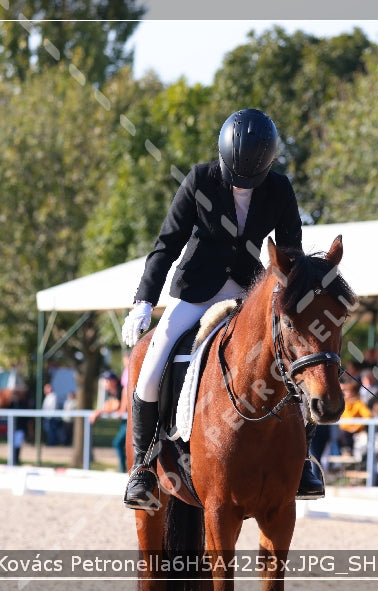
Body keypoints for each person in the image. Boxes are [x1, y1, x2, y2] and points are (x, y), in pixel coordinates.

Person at [120, 108, 322, 510]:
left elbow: (292, 253)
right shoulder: (199, 180)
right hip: (195, 288)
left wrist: (298, 303)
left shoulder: (279, 189)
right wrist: (144, 301)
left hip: (248, 291)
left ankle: (301, 462)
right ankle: (143, 468)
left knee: (293, 358)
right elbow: (167, 244)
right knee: (154, 360)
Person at [89, 370, 128, 473]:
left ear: (114, 381)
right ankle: (124, 468)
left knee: (118, 443)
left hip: (129, 422)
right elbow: (110, 406)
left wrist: (99, 412)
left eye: (107, 380)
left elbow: (116, 406)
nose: (105, 382)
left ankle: (124, 469)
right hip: (124, 422)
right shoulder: (113, 392)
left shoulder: (120, 390)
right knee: (122, 444)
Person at [338, 380, 372, 461]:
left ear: (353, 392)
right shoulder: (342, 403)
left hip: (357, 430)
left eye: (348, 391)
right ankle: (346, 451)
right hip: (345, 430)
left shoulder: (359, 403)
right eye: (345, 391)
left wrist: (356, 427)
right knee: (342, 434)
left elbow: (367, 415)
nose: (346, 393)